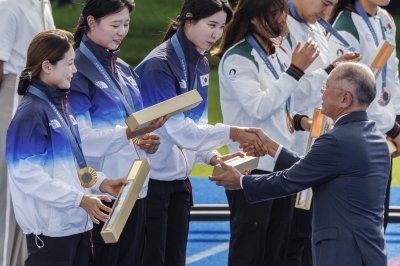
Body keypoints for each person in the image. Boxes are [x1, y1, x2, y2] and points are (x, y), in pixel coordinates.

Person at [210, 62, 389, 266]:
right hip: (369, 249)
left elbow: (290, 180)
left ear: (344, 99)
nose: (321, 92)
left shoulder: (337, 140)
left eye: (326, 86)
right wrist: (270, 146)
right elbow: (313, 168)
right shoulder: (376, 138)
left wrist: (242, 182)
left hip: (342, 252)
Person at [135, 1, 268, 265]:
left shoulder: (201, 62)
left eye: (221, 27)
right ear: (189, 19)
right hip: (150, 184)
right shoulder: (158, 66)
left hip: (178, 182)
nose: (216, 34)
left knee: (175, 259)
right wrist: (233, 133)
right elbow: (181, 132)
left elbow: (196, 124)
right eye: (211, 25)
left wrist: (212, 158)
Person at [6, 29, 128, 266]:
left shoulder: (61, 105)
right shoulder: (30, 114)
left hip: (74, 225)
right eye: (70, 63)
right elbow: (27, 176)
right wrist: (79, 199)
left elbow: (70, 165)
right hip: (52, 234)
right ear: (47, 66)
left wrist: (100, 181)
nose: (75, 70)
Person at [212, 0, 319, 264]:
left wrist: (298, 121)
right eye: (274, 14)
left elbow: (277, 107)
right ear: (253, 18)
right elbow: (258, 108)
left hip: (280, 164)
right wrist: (295, 70)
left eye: (282, 11)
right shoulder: (238, 57)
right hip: (251, 167)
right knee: (249, 252)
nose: (282, 19)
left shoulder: (277, 51)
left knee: (277, 251)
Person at [68, 0, 167, 265]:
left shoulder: (124, 69)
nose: (122, 31)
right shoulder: (74, 71)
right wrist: (129, 132)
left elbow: (133, 126)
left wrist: (146, 140)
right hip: (99, 194)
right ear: (91, 21)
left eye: (126, 24)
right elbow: (81, 142)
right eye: (115, 24)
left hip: (135, 188)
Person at [279, 0, 362, 264]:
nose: (328, 12)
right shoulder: (281, 27)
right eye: (325, 3)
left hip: (319, 140)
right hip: (296, 142)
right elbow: (292, 89)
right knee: (293, 235)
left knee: (311, 232)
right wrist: (331, 72)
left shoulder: (315, 27)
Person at [327, 0, 400, 231]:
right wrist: (393, 129)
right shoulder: (346, 25)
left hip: (382, 134)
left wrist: (397, 118)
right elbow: (352, 91)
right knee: (358, 226)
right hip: (357, 136)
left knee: (379, 223)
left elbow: (392, 75)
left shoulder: (386, 19)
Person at [0, 1, 55, 265]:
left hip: (33, 97)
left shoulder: (42, 4)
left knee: (28, 189)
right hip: (13, 96)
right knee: (9, 188)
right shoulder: (10, 5)